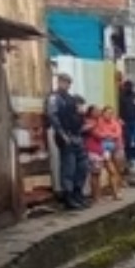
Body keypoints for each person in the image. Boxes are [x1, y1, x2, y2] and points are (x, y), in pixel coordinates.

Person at [46, 74, 89, 210]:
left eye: (68, 83)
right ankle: (68, 197)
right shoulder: (54, 98)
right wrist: (62, 134)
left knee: (82, 167)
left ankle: (78, 193)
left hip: (77, 135)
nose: (66, 85)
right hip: (65, 135)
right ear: (58, 82)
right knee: (68, 167)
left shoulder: (70, 98)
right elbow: (53, 116)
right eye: (64, 82)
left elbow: (78, 115)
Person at [85, 106, 125, 202]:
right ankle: (97, 196)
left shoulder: (107, 122)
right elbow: (99, 134)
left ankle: (115, 193)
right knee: (96, 174)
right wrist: (108, 135)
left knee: (112, 171)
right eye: (96, 111)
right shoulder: (91, 122)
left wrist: (107, 135)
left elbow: (117, 133)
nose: (98, 113)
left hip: (104, 150)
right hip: (95, 149)